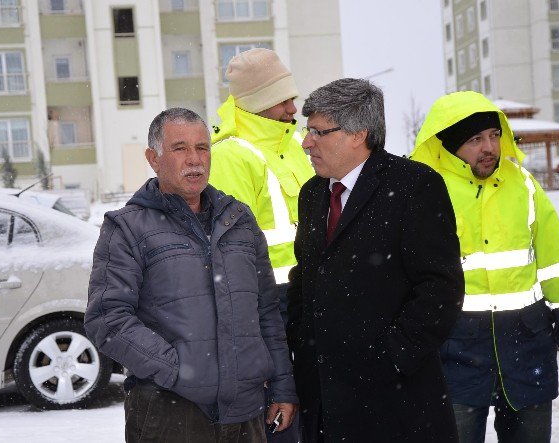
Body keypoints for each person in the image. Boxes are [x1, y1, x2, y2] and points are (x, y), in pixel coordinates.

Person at [85, 108, 298, 443]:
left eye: (202, 148)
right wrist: (178, 370)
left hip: (246, 412)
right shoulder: (126, 227)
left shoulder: (239, 220)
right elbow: (107, 318)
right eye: (180, 148)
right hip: (170, 412)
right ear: (153, 158)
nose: (195, 160)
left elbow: (266, 312)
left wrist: (283, 384)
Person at [410, 91, 559, 443]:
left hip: (527, 353)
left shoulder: (523, 186)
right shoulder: (424, 191)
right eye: (475, 139)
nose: (489, 147)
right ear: (450, 145)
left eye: (494, 136)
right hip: (454, 358)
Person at [286, 78, 465, 442]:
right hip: (325, 403)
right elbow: (306, 280)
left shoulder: (414, 186)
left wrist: (392, 358)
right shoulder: (312, 194)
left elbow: (440, 289)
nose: (306, 143)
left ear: (358, 134)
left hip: (395, 404)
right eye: (307, 131)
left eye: (318, 132)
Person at [209, 48, 314, 324]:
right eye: (282, 100)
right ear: (257, 103)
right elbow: (233, 246)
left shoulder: (294, 143)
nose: (292, 108)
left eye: (291, 98)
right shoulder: (230, 155)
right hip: (270, 298)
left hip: (312, 288)